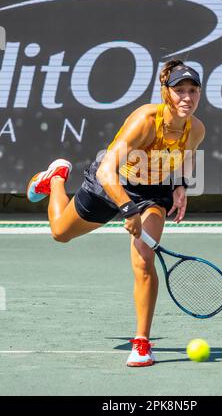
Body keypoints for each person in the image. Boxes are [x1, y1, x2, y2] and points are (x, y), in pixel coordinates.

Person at [27, 59, 205, 367]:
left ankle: (142, 342)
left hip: (152, 195)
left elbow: (184, 160)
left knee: (144, 257)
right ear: (166, 92)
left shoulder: (196, 129)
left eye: (193, 90)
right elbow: (108, 171)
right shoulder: (145, 120)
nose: (187, 97)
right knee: (59, 232)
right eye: (179, 90)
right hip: (110, 185)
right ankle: (56, 176)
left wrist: (180, 186)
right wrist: (127, 209)